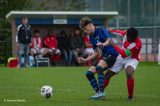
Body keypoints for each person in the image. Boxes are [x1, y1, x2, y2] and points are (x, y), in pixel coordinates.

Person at [78, 17, 118, 99]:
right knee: (89, 74)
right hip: (104, 56)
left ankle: (100, 92)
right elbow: (96, 52)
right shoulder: (91, 37)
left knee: (99, 68)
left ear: (89, 25)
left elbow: (109, 40)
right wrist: (85, 60)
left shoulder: (101, 29)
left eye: (85, 29)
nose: (85, 31)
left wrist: (103, 44)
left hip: (112, 53)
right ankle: (99, 94)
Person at [104, 28, 142, 101]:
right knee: (107, 75)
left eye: (130, 38)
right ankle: (100, 93)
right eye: (127, 37)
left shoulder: (137, 44)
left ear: (135, 37)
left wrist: (113, 44)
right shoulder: (126, 33)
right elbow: (120, 32)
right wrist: (111, 30)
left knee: (129, 72)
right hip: (120, 57)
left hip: (132, 59)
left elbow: (124, 54)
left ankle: (130, 97)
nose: (128, 38)